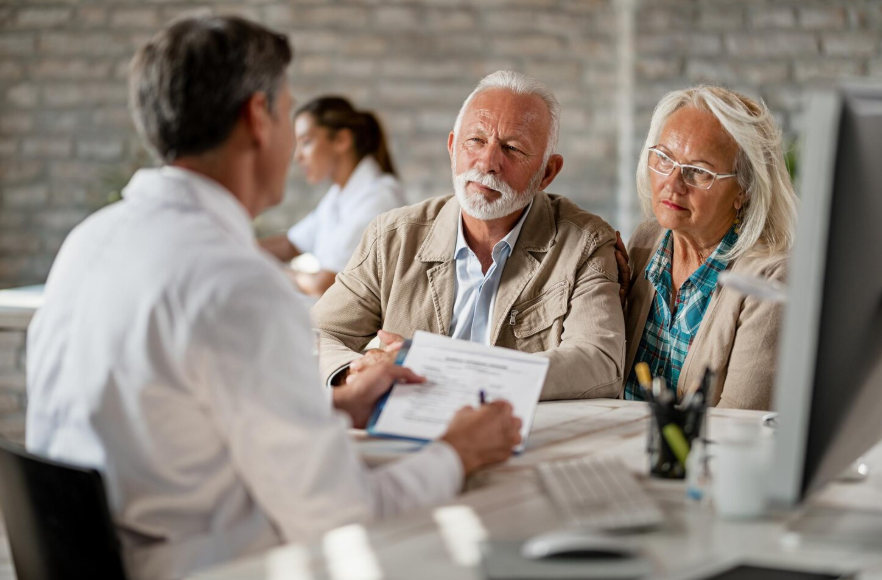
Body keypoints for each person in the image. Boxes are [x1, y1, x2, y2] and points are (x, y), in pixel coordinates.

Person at [25, 16, 522, 580]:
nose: (293, 141)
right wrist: (458, 451)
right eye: (288, 112)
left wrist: (330, 408)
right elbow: (343, 516)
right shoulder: (237, 285)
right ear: (258, 117)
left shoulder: (89, 241)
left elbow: (170, 426)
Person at [312, 71, 626, 401]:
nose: (488, 162)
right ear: (452, 147)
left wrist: (443, 369)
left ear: (547, 172)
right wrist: (354, 372)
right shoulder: (392, 237)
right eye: (475, 141)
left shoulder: (585, 244)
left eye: (513, 148)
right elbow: (316, 333)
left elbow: (599, 363)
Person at [619, 85, 797, 410]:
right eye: (664, 158)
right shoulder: (646, 241)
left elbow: (738, 426)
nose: (672, 184)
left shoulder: (769, 278)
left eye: (698, 171)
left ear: (744, 189)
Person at [259, 96, 405, 297]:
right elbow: (291, 243)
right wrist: (236, 248)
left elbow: (324, 285)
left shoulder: (378, 198)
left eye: (306, 142)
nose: (298, 156)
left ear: (341, 140)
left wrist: (264, 270)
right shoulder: (338, 196)